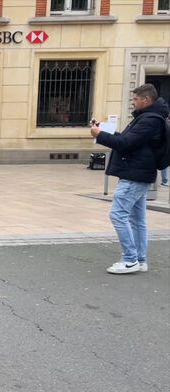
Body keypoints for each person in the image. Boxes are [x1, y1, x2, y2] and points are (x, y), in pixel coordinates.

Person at [91, 83, 168, 274]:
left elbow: (125, 143)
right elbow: (127, 139)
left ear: (146, 99)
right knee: (137, 219)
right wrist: (103, 131)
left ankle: (130, 259)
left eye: (135, 99)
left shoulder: (149, 120)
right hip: (138, 173)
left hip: (135, 174)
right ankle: (139, 259)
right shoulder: (146, 118)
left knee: (118, 215)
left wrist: (100, 136)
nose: (133, 102)